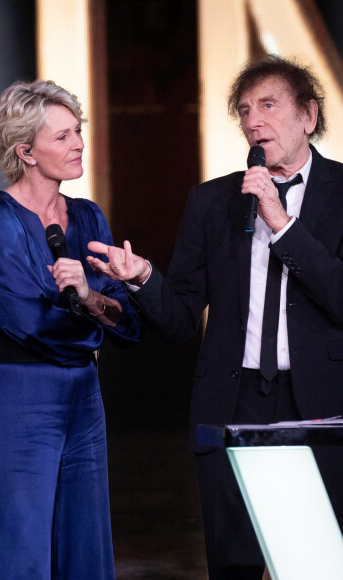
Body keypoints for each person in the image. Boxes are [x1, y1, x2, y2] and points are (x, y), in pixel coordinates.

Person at [87, 54, 343, 579]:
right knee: (233, 564)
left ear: (309, 116)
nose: (253, 121)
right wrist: (141, 279)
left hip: (317, 402)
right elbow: (180, 318)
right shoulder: (212, 201)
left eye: (268, 106)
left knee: (314, 565)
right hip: (232, 399)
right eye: (245, 110)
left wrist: (281, 221)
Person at [0, 79, 142, 579]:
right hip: (18, 392)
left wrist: (88, 297)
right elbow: (28, 322)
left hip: (84, 392)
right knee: (24, 550)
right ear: (26, 150)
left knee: (87, 548)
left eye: (78, 131)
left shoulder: (88, 217)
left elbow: (129, 324)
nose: (79, 143)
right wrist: (97, 316)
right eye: (62, 136)